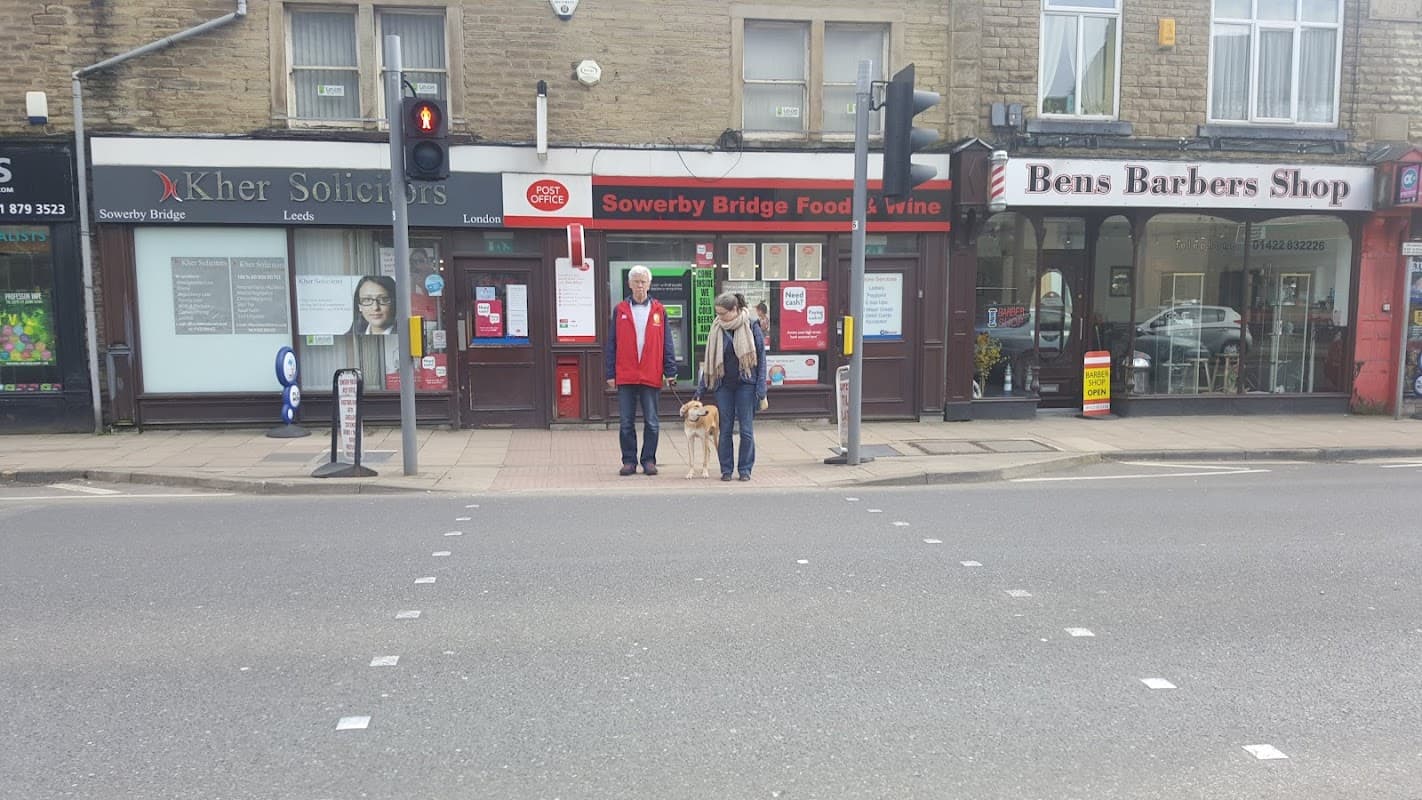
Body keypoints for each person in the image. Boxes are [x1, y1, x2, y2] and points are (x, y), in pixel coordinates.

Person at [604, 265, 677, 476]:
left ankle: (649, 460)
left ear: (649, 284)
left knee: (652, 422)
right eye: (636, 281)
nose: (640, 285)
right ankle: (629, 461)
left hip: (651, 373)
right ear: (629, 284)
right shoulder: (620, 310)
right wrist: (610, 373)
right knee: (626, 422)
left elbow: (667, 343)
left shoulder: (658, 310)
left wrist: (670, 371)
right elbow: (612, 343)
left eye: (643, 281)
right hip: (626, 373)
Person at [697, 292, 767, 482]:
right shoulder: (716, 328)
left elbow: (760, 358)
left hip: (746, 384)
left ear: (735, 310)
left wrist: (761, 388)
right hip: (724, 386)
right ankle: (726, 470)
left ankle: (745, 469)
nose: (719, 317)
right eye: (717, 313)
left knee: (745, 430)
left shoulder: (751, 325)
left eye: (723, 314)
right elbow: (710, 361)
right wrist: (700, 390)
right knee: (725, 429)